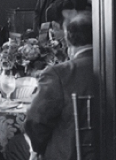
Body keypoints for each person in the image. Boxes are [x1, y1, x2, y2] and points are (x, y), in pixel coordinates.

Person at [25, 13, 96, 160]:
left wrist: (37, 150)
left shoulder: (58, 74)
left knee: (14, 146)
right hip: (112, 151)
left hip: (68, 154)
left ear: (68, 39)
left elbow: (35, 121)